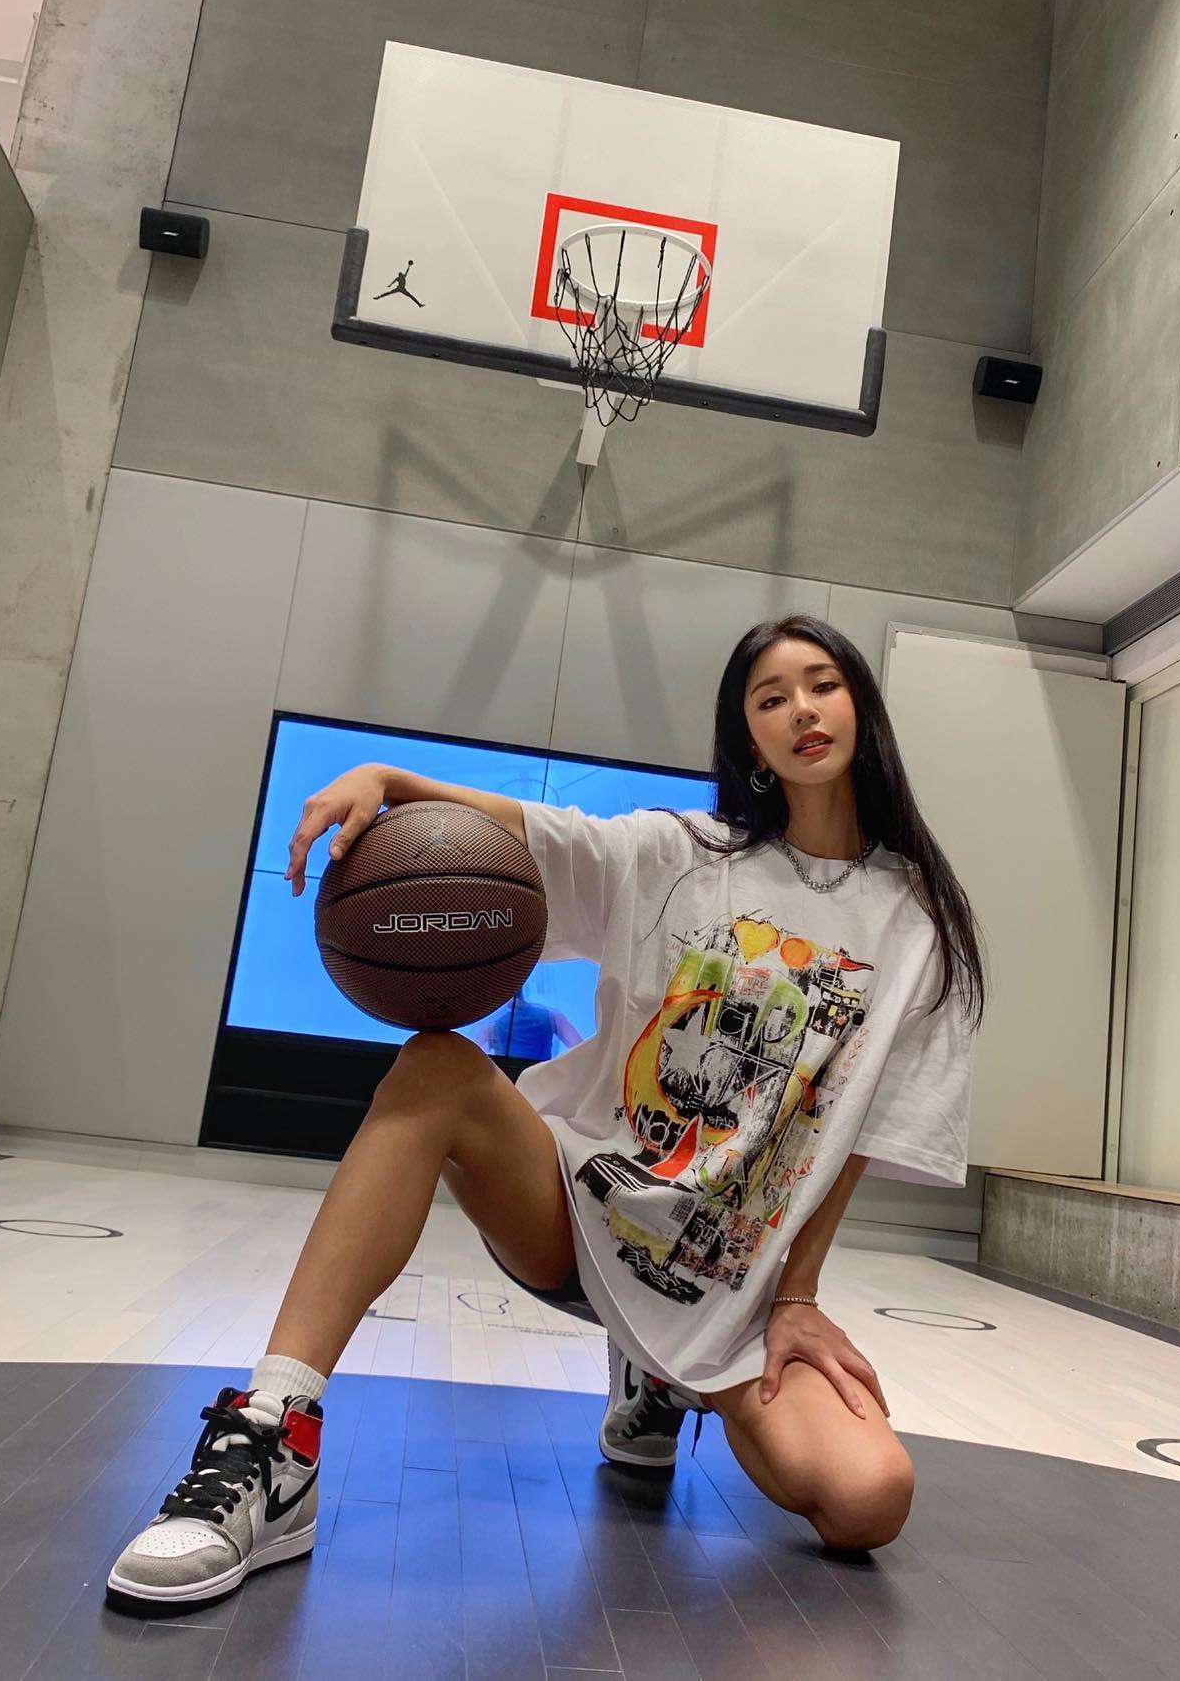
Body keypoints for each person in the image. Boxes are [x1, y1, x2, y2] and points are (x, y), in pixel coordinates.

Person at [105, 613, 986, 1615]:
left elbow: (858, 1135)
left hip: (731, 1290)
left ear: (861, 702)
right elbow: (528, 832)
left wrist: (796, 1298)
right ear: (748, 738)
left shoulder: (924, 925)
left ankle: (664, 1376)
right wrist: (390, 780)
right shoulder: (681, 854)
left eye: (821, 684)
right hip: (577, 1211)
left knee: (869, 1497)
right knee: (437, 1067)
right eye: (770, 698)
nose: (802, 711)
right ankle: (275, 1433)